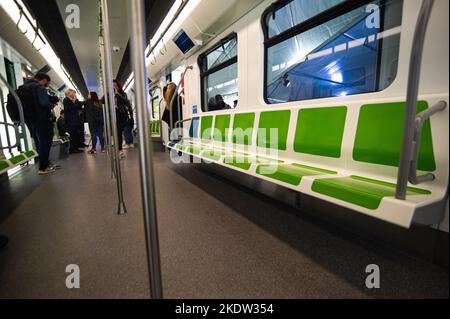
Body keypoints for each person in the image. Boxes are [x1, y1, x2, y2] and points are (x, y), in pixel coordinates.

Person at [23, 73, 59, 175]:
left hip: (30, 120)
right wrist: (52, 105)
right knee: (46, 142)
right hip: (42, 119)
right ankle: (43, 167)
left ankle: (46, 163)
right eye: (47, 83)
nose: (46, 85)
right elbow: (44, 103)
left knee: (39, 143)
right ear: (43, 80)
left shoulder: (25, 87)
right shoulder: (39, 88)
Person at [113, 80, 131, 158]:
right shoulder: (109, 95)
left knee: (120, 132)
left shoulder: (123, 94)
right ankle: (119, 150)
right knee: (117, 134)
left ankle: (120, 150)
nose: (114, 87)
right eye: (113, 86)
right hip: (114, 116)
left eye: (116, 86)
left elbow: (125, 101)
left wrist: (117, 94)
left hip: (122, 115)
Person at [63, 89, 85, 154]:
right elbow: (71, 108)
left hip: (73, 121)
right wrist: (75, 101)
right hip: (71, 121)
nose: (74, 94)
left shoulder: (69, 100)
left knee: (75, 135)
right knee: (73, 135)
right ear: (69, 93)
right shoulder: (66, 100)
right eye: (73, 93)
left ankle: (75, 148)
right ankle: (73, 149)